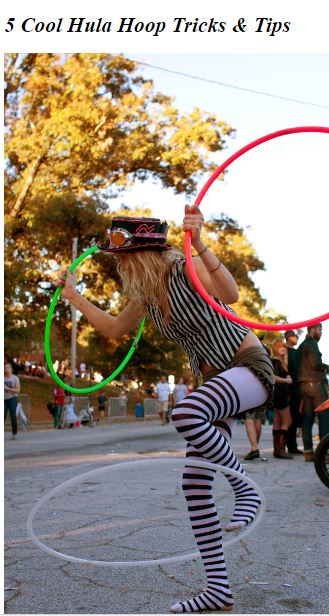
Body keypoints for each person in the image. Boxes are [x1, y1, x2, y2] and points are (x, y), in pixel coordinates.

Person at [54, 209, 274, 613]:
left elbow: (230, 294)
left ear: (141, 253)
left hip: (247, 366)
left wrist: (200, 242)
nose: (118, 265)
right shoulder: (147, 296)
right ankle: (218, 590)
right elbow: (114, 329)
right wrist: (72, 296)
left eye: (122, 257)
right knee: (194, 484)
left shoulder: (184, 267)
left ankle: (243, 485)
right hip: (215, 381)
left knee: (187, 413)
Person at [297, 323, 329, 462]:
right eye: (319, 329)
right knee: (324, 417)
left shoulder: (301, 346)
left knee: (308, 418)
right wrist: (328, 367)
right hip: (315, 385)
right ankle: (325, 453)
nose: (321, 332)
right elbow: (315, 363)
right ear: (311, 330)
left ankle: (308, 452)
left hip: (303, 385)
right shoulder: (311, 344)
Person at [271, 340, 293, 459]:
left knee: (277, 421)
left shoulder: (279, 361)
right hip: (280, 394)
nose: (283, 348)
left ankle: (277, 450)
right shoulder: (276, 361)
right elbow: (272, 377)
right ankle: (280, 449)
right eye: (279, 346)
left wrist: (286, 376)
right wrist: (286, 380)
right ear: (275, 348)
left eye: (284, 346)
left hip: (277, 394)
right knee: (287, 421)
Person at [284, 330, 303, 454]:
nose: (297, 338)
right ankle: (287, 445)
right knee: (288, 419)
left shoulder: (296, 352)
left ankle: (292, 445)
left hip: (296, 389)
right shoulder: (284, 351)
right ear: (289, 337)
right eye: (295, 336)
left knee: (295, 418)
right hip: (287, 389)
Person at [4, 361, 20, 439]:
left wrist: (7, 388)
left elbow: (18, 390)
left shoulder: (15, 378)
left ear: (11, 369)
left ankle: (14, 433)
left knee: (12, 415)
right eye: (5, 368)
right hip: (4, 399)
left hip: (12, 399)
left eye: (8, 367)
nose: (6, 369)